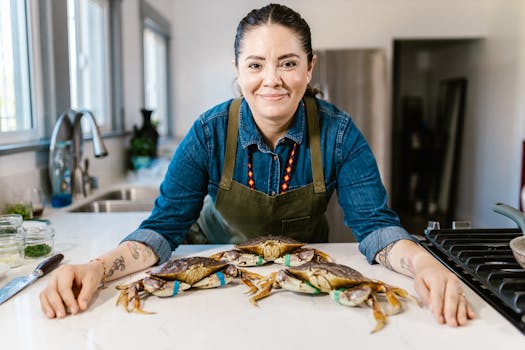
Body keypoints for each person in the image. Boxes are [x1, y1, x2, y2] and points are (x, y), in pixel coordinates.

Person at [40, 3, 475, 327]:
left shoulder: (340, 134)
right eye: (255, 64)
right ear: (237, 69)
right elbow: (162, 229)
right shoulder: (208, 133)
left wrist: (426, 264)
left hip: (305, 287)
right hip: (211, 285)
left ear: (309, 68)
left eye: (288, 63)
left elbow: (376, 227)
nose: (272, 80)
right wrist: (95, 268)